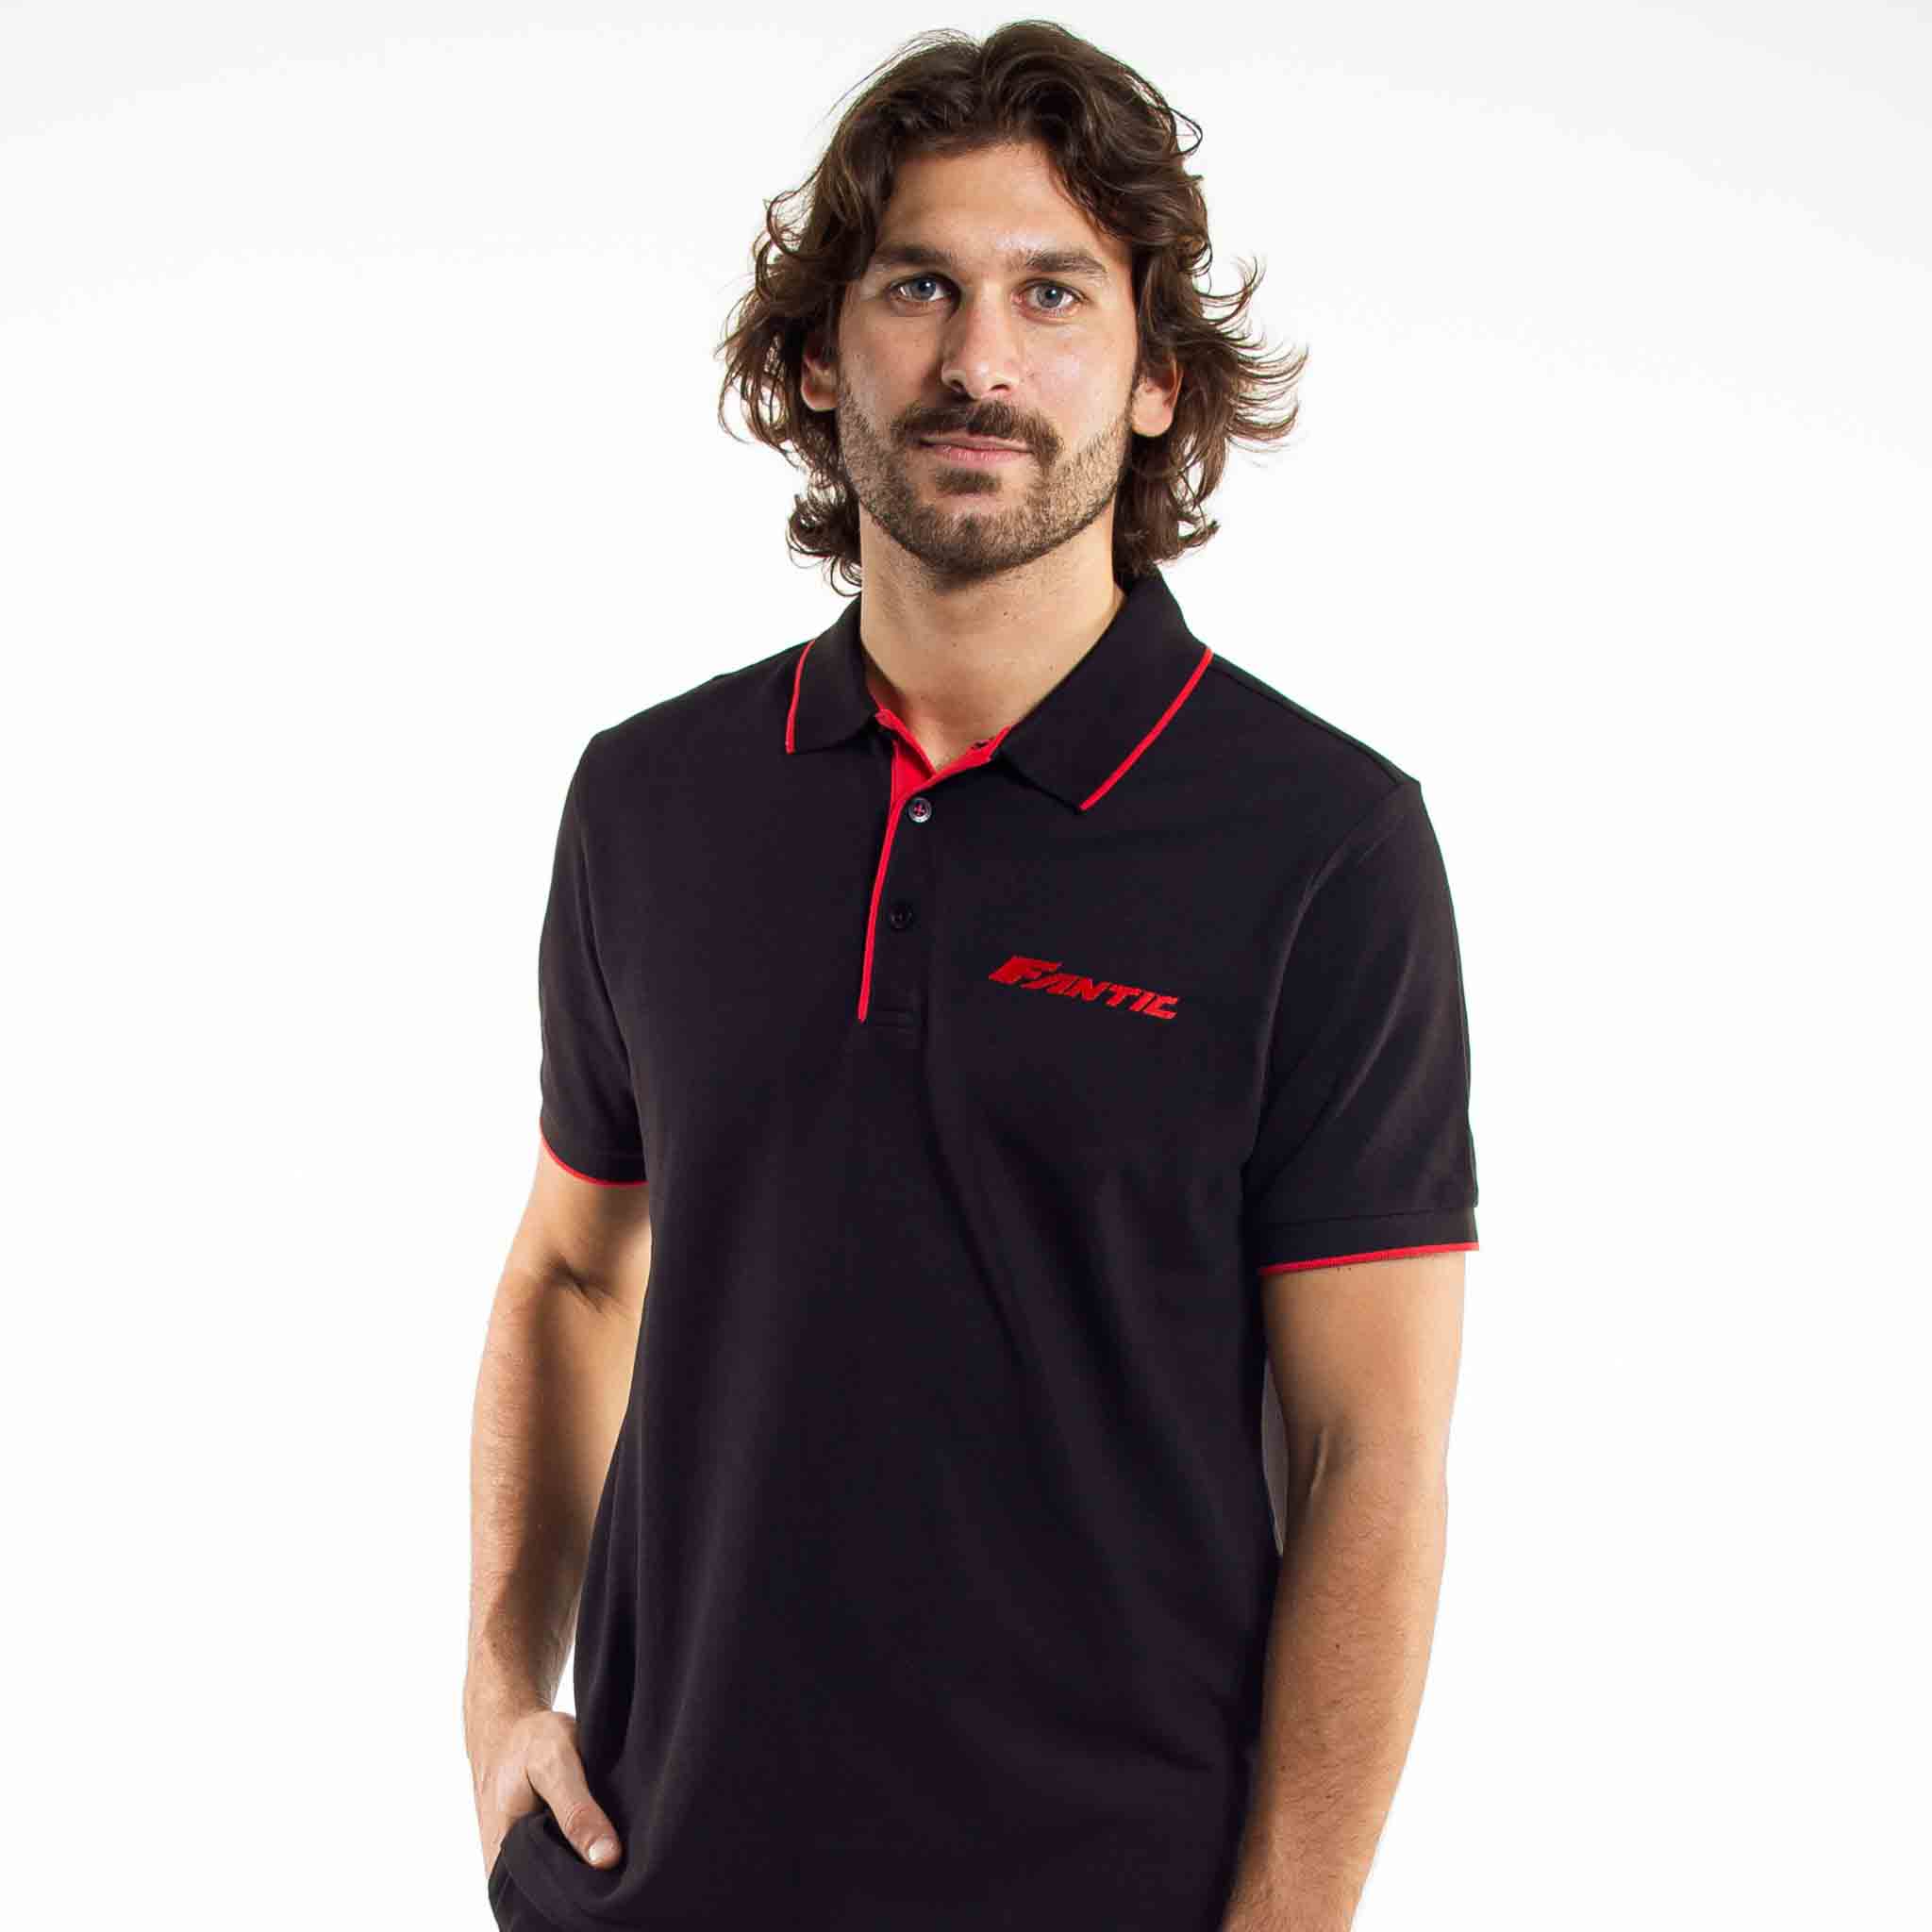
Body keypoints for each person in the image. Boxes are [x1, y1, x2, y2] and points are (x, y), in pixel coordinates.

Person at [463, 23, 1477, 1932]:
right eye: (916, 285)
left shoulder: (1319, 844)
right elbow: (574, 1271)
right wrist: (500, 1685)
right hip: (660, 1879)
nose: (978, 362)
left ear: (1159, 376)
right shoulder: (652, 802)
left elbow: (1373, 1453)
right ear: (816, 355)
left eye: (1053, 294)